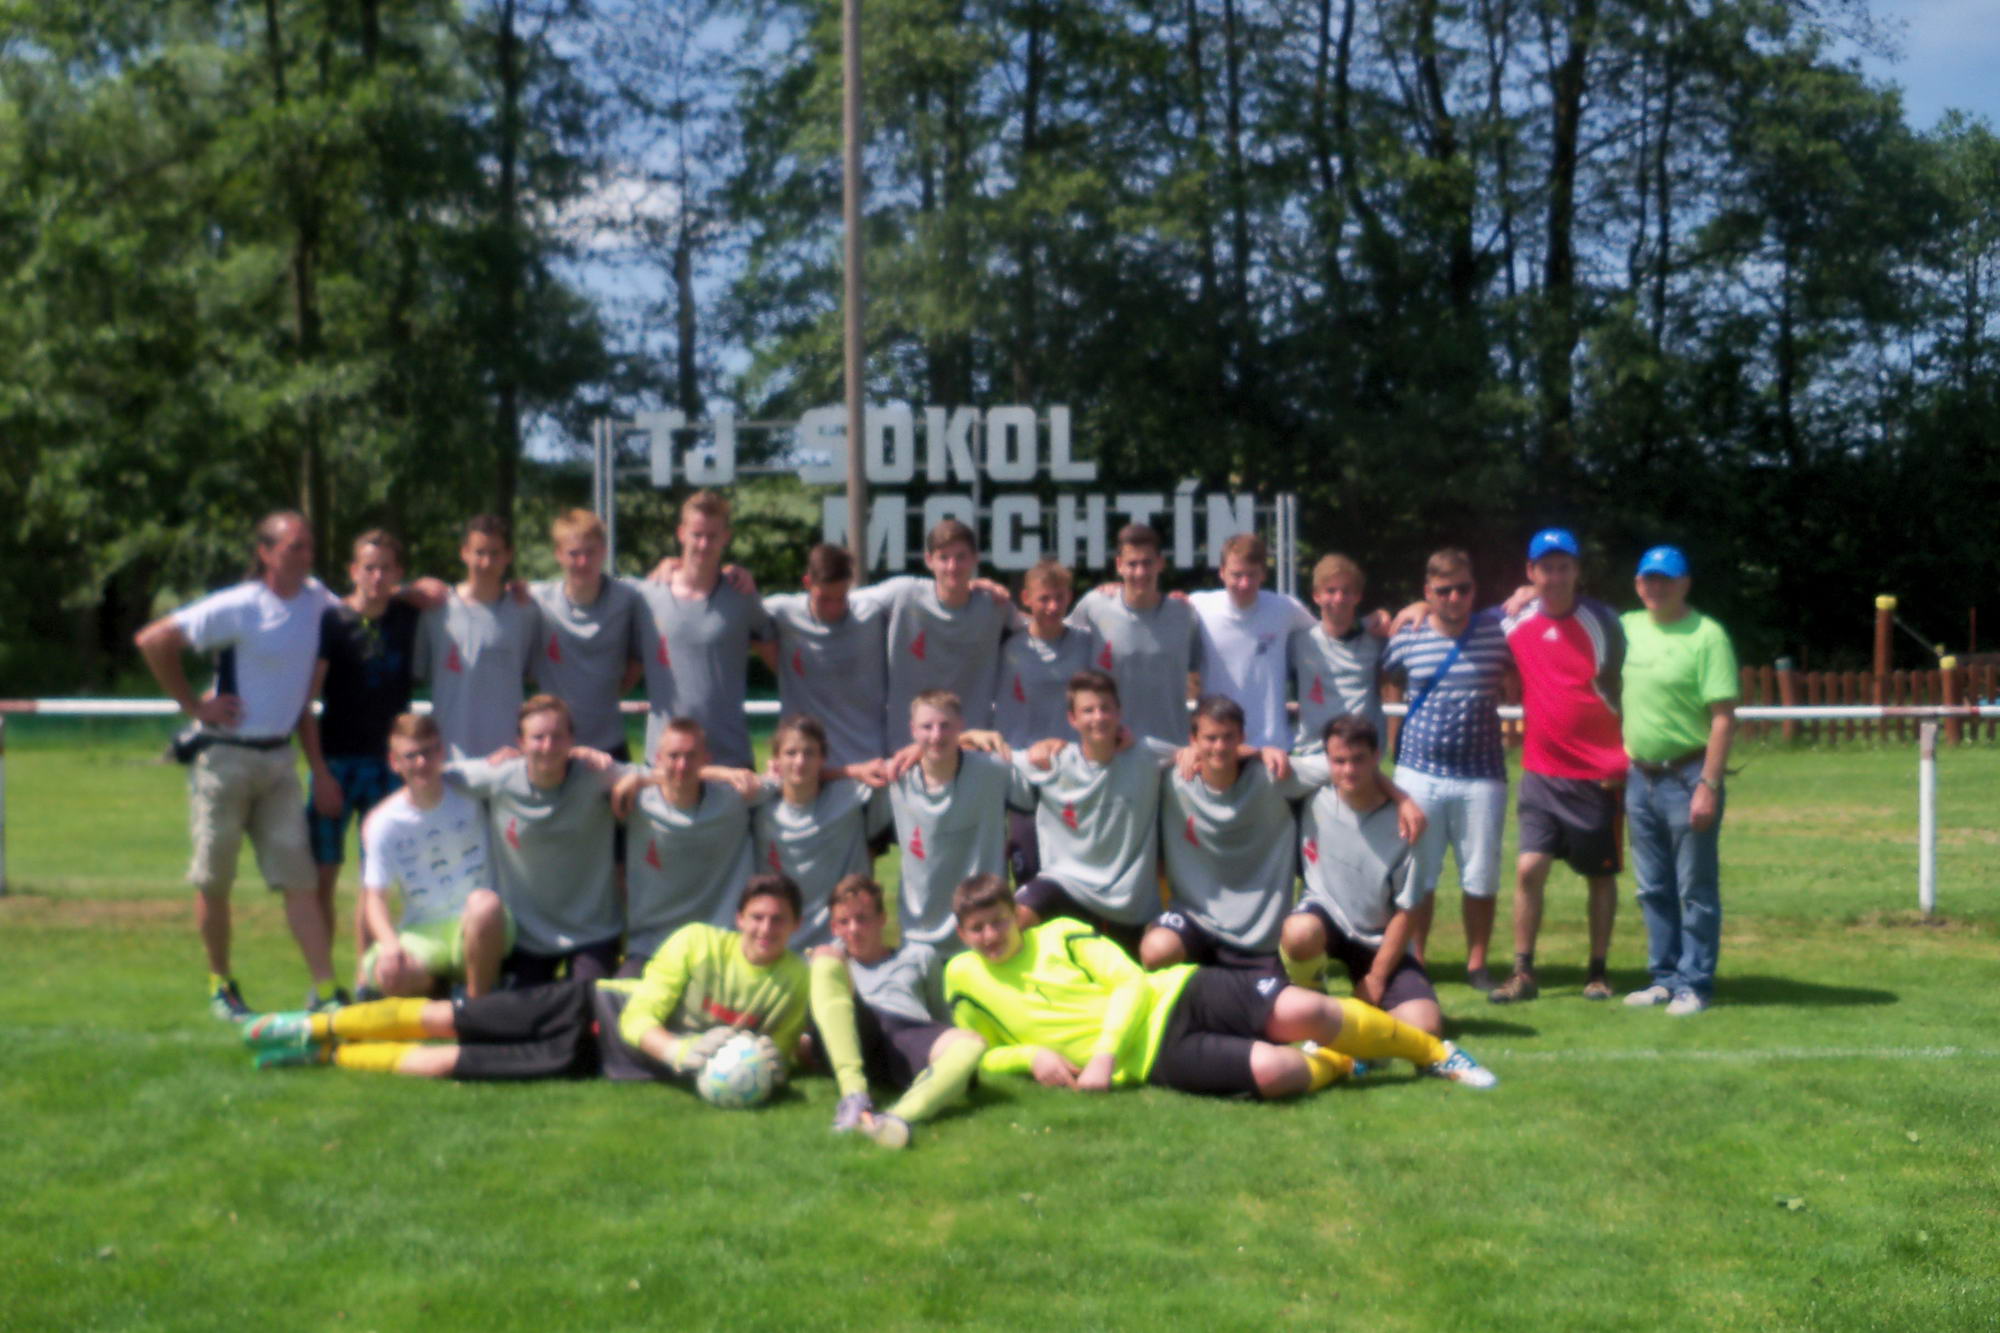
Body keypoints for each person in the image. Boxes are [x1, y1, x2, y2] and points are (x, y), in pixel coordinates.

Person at [943, 874, 1496, 1099]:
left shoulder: (1061, 934)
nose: (990, 936)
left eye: (998, 922)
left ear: (1016, 915)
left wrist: (1103, 1056)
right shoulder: (962, 979)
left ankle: (1436, 1054)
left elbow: (1132, 984)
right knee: (1276, 1073)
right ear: (962, 933)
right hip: (1155, 1055)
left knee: (1306, 1010)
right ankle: (1341, 1062)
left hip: (1180, 991)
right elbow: (978, 1050)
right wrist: (1031, 1057)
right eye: (977, 929)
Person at [240, 876, 809, 1086]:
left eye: (778, 921)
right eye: (757, 917)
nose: (766, 929)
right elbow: (638, 1019)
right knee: (450, 1018)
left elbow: (775, 1054)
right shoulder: (697, 941)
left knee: (446, 1062)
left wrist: (772, 1068)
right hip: (583, 1007)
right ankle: (311, 1024)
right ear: (739, 918)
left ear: (795, 926)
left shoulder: (794, 979)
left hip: (589, 1060)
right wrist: (682, 1053)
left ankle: (327, 1055)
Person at [135, 510, 347, 1018]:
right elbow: (154, 640)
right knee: (215, 880)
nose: (306, 554)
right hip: (224, 759)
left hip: (279, 761)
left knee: (299, 880)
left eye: (309, 545)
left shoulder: (318, 599)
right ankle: (221, 985)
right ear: (265, 553)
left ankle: (326, 991)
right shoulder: (238, 605)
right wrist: (195, 706)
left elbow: (364, 607)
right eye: (294, 546)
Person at [1489, 529, 1627, 1005]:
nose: (1555, 576)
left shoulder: (1604, 622)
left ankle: (1598, 972)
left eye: (1564, 566)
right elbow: (1458, 617)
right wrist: (1420, 606)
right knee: (1529, 869)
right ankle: (1523, 972)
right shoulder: (1515, 619)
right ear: (1531, 572)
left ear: (1577, 571)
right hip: (1541, 772)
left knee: (1600, 877)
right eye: (1545, 568)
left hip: (1599, 774)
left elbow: (1631, 686)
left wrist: (1625, 752)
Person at [1380, 547, 1512, 991]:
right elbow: (1387, 675)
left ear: (1474, 589)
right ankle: (1416, 962)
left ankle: (1477, 965)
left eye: (1463, 589)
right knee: (1418, 876)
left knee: (1481, 875)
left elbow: (1534, 599)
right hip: (1419, 773)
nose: (1454, 598)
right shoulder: (1408, 634)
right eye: (1443, 591)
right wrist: (1393, 735)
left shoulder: (1496, 629)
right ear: (1428, 592)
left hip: (1482, 773)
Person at [296, 529, 421, 994]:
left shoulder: (407, 617)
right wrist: (320, 770)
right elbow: (306, 704)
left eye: (386, 568)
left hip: (388, 768)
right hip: (336, 764)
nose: (377, 576)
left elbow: (437, 593)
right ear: (353, 571)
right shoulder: (332, 622)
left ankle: (365, 978)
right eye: (369, 567)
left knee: (376, 880)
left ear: (398, 572)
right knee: (322, 875)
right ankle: (323, 983)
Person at [1619, 546, 1738, 1016]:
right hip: (1640, 775)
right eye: (1648, 578)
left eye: (1666, 579)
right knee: (1652, 887)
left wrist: (1709, 784)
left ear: (1684, 584)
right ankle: (1664, 978)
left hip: (1689, 773)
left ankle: (1695, 983)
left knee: (1694, 887)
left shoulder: (1708, 636)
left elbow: (1723, 717)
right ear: (1637, 584)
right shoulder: (1625, 628)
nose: (1656, 587)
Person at [1278, 716, 1443, 1034]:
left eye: (1358, 760)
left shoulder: (1407, 824)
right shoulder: (1312, 794)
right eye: (1339, 761)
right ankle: (1315, 1001)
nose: (1349, 770)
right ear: (1327, 760)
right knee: (1298, 932)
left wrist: (1377, 979)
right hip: (1324, 917)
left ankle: (1362, 1020)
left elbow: (1408, 911)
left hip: (1378, 937)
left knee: (1425, 1027)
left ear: (1376, 757)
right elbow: (1247, 763)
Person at [448, 695, 625, 985]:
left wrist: (633, 780)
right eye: (538, 737)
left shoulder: (597, 775)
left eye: (557, 737)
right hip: (527, 936)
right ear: (520, 742)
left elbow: (666, 777)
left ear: (572, 740)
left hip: (592, 932)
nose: (547, 746)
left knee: (586, 1003)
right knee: (524, 1007)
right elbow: (434, 772)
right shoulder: (500, 776)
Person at [807, 877, 987, 1149]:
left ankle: (895, 1119)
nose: (853, 929)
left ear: (882, 919)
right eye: (844, 922)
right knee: (823, 959)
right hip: (856, 1030)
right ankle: (854, 1096)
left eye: (862, 919)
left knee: (970, 1043)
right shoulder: (834, 965)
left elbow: (939, 1018)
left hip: (906, 1033)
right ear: (834, 927)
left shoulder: (919, 956)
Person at [1009, 670, 1181, 955]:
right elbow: (975, 755)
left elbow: (1206, 754)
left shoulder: (1147, 755)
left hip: (1128, 903)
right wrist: (975, 734)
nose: (1098, 717)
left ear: (1118, 713)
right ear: (1072, 719)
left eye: (1105, 708)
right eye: (1088, 710)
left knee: (1141, 963)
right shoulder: (1052, 761)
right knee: (1011, 921)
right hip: (1064, 884)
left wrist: (1254, 754)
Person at [1140, 695, 1306, 972]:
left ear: (1242, 738)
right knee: (1156, 949)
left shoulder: (1273, 777)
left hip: (1256, 935)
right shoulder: (1174, 778)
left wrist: (1259, 753)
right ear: (1193, 740)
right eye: (1210, 738)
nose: (1219, 746)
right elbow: (1125, 747)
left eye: (1228, 737)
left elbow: (1336, 766)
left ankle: (1311, 975)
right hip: (1193, 920)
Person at [355, 714, 513, 999]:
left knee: (485, 905)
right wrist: (390, 944)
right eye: (410, 756)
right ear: (394, 762)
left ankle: (475, 1007)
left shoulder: (473, 791)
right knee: (388, 972)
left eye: (428, 752)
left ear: (441, 751)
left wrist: (515, 758)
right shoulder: (383, 821)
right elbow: (375, 898)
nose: (421, 763)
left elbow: (532, 762)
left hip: (478, 922)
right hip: (422, 932)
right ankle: (443, 990)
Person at [611, 717, 764, 975]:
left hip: (721, 946)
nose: (682, 765)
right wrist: (641, 778)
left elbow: (795, 778)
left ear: (706, 759)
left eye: (691, 756)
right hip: (652, 946)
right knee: (616, 997)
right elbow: (574, 762)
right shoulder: (637, 800)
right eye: (673, 756)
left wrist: (726, 774)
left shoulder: (735, 798)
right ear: (657, 759)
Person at [635, 490, 772, 768]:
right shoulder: (648, 595)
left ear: (726, 537)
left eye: (712, 536)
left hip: (729, 759)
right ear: (681, 533)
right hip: (666, 760)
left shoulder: (742, 596)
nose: (703, 544)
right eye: (696, 535)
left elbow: (779, 656)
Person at [879, 692, 1018, 951]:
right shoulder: (895, 777)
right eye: (926, 727)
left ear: (960, 725)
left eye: (945, 725)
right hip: (920, 936)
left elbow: (1041, 765)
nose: (936, 735)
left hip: (985, 932)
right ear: (912, 730)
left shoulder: (994, 770)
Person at [994, 560, 1098, 884]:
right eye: (1044, 598)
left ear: (1070, 597)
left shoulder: (1087, 643)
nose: (1053, 607)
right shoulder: (1006, 646)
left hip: (1073, 771)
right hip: (1021, 772)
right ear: (1026, 598)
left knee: (1076, 871)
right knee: (1027, 870)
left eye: (1059, 597)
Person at [752, 715, 890, 948]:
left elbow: (890, 769)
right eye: (791, 753)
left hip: (842, 943)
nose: (800, 761)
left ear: (823, 758)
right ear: (775, 759)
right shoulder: (758, 807)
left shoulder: (849, 796)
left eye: (809, 753)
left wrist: (852, 772)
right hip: (780, 943)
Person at [864, 518, 1013, 731]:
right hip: (906, 743)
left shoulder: (994, 604)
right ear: (929, 560)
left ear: (975, 559)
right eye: (944, 558)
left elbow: (1038, 629)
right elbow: (845, 602)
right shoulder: (903, 594)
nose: (952, 566)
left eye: (961, 557)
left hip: (972, 742)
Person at [415, 514, 541, 761]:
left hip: (508, 755)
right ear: (464, 553)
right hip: (450, 755)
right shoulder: (435, 609)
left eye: (495, 553)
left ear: (508, 555)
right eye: (479, 552)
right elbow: (419, 673)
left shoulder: (525, 611)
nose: (486, 562)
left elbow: (532, 673)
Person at [1065, 523, 1202, 745]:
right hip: (1113, 748)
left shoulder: (1184, 613)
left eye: (1147, 563)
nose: (1140, 572)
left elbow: (1200, 676)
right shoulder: (1094, 606)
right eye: (1132, 564)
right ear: (1119, 565)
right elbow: (1053, 639)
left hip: (1172, 748)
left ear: (1160, 563)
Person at [529, 509, 646, 761]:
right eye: (574, 553)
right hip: (554, 746)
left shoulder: (629, 597)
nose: (582, 562)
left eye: (590, 552)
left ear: (604, 551)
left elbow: (637, 663)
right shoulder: (536, 600)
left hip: (610, 743)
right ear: (558, 554)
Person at [761, 543, 892, 767]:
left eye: (841, 598)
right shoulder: (782, 612)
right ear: (807, 583)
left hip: (869, 760)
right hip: (806, 764)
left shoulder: (872, 610)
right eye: (824, 599)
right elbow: (738, 614)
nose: (833, 608)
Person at [1188, 533, 1316, 751]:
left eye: (1251, 575)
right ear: (1221, 572)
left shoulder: (1284, 609)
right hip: (1218, 745)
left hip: (1272, 747)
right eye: (1236, 575)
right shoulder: (1198, 606)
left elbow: (1329, 635)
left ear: (1263, 574)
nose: (1244, 583)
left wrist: (1367, 623)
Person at [1288, 553, 1387, 748]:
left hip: (1362, 752)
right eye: (1330, 591)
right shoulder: (1299, 640)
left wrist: (1421, 606)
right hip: (1314, 751)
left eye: (1346, 591)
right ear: (1316, 596)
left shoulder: (1377, 639)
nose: (1339, 598)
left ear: (1358, 596)